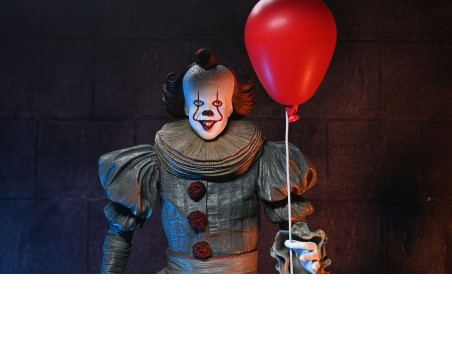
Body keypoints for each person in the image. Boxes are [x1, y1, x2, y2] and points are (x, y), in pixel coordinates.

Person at [99, 48, 330, 274]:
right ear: (186, 106)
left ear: (230, 107)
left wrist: (306, 264)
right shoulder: (155, 160)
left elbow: (294, 230)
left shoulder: (263, 158)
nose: (207, 112)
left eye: (217, 104)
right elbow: (120, 233)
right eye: (198, 103)